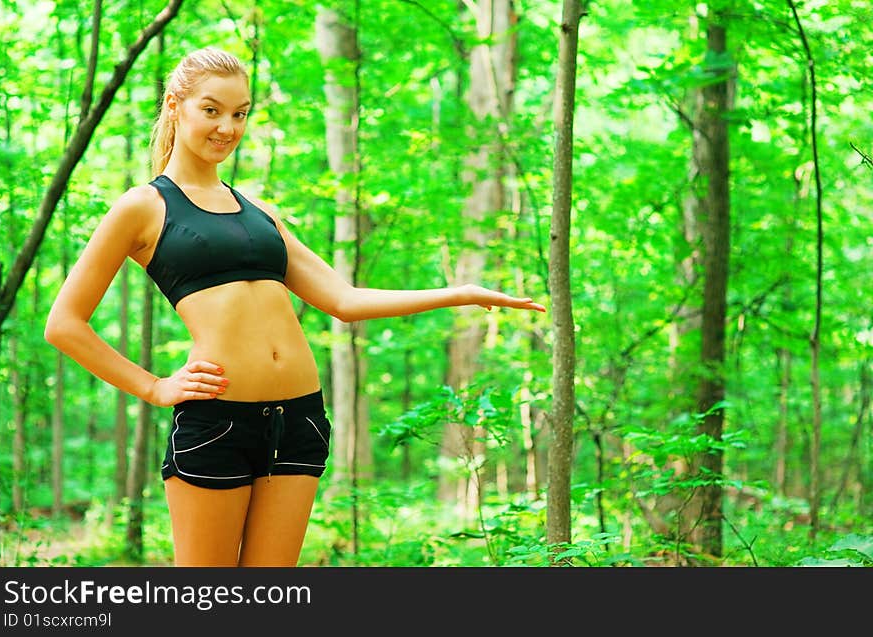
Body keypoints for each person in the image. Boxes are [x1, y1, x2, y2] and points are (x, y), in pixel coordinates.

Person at [44, 47, 546, 567]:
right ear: (175, 105)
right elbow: (63, 324)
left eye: (240, 113)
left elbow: (344, 300)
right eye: (211, 110)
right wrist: (153, 386)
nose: (227, 127)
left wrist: (461, 293)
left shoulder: (260, 210)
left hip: (300, 420)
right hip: (218, 420)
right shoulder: (144, 207)